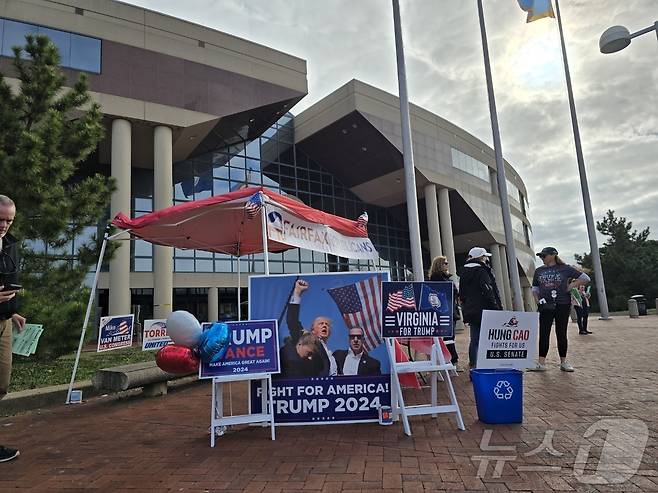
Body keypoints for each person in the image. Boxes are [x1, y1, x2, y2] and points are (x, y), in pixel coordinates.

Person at [531, 247, 590, 372]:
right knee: (544, 333)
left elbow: (585, 278)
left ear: (553, 255)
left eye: (544, 256)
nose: (542, 258)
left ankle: (563, 362)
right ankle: (541, 363)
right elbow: (535, 289)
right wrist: (538, 301)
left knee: (561, 332)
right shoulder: (539, 271)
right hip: (545, 305)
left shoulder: (565, 268)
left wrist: (571, 286)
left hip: (562, 304)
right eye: (541, 256)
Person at [0, 195, 26, 463]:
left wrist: (12, 310)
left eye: (9, 220)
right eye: (0, 219)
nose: (4, 225)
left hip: (4, 322)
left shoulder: (10, 245)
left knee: (2, 383)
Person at [458, 247, 503, 370]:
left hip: (471, 310)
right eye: (485, 256)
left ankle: (473, 364)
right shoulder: (482, 271)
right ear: (481, 257)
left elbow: (461, 293)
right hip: (485, 309)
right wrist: (496, 307)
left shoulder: (463, 272)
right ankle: (486, 364)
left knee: (475, 339)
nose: (486, 259)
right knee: (488, 338)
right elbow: (488, 290)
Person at [286, 279, 337, 376]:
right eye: (321, 323)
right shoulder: (308, 340)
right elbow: (292, 321)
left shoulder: (330, 352)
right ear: (313, 330)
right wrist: (297, 292)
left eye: (327, 324)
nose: (325, 326)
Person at [427, 255, 460, 366]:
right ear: (439, 265)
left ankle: (449, 359)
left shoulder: (444, 278)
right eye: (445, 263)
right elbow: (449, 293)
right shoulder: (438, 279)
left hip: (449, 310)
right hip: (446, 311)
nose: (447, 264)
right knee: (448, 337)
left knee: (449, 336)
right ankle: (451, 360)